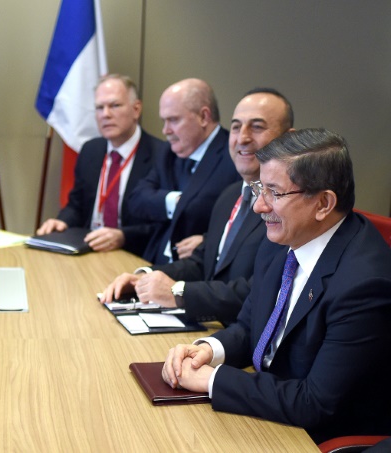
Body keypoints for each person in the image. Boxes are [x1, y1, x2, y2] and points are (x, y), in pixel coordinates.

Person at [162, 129, 391, 443]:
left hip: (315, 437)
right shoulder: (282, 240)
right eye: (259, 187)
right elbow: (251, 326)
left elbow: (315, 403)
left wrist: (213, 380)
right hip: (270, 409)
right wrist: (208, 350)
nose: (259, 206)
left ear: (323, 203)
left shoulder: (365, 285)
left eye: (274, 192)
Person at [101, 88, 294, 325]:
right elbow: (201, 263)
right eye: (235, 127)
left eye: (256, 127)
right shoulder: (230, 196)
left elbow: (259, 292)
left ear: (288, 137)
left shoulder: (288, 207)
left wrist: (179, 293)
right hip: (210, 330)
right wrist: (144, 279)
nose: (242, 138)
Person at [36, 74, 166, 255]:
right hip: (88, 250)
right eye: (99, 108)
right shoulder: (91, 150)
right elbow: (76, 205)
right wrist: (62, 222)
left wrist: (123, 236)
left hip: (133, 255)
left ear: (136, 109)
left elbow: (163, 225)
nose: (105, 114)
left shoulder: (161, 155)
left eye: (115, 105)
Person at [128, 78, 240, 264]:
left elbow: (240, 224)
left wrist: (208, 241)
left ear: (204, 117)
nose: (165, 130)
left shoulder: (234, 157)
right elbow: (137, 199)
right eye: (164, 121)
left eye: (173, 120)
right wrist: (175, 201)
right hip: (152, 260)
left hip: (196, 273)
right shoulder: (168, 152)